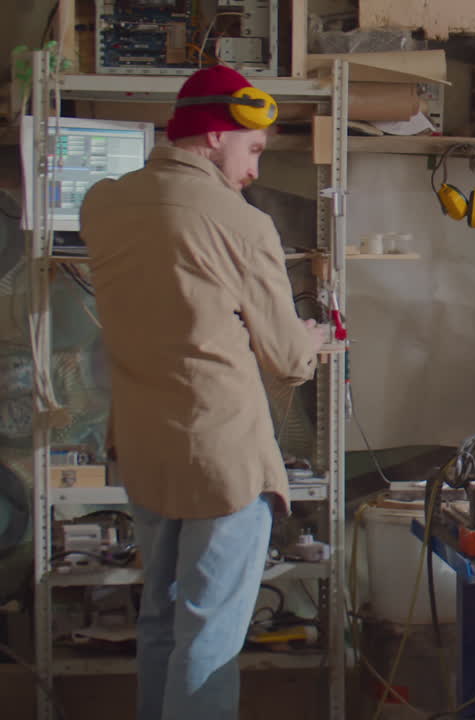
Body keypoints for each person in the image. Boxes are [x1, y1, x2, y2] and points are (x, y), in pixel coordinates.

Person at [80, 65, 325, 720]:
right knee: (209, 636)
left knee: (160, 620)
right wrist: (313, 337)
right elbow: (288, 360)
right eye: (253, 149)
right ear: (217, 133)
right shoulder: (244, 224)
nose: (253, 169)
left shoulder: (102, 204)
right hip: (222, 461)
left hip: (144, 449)